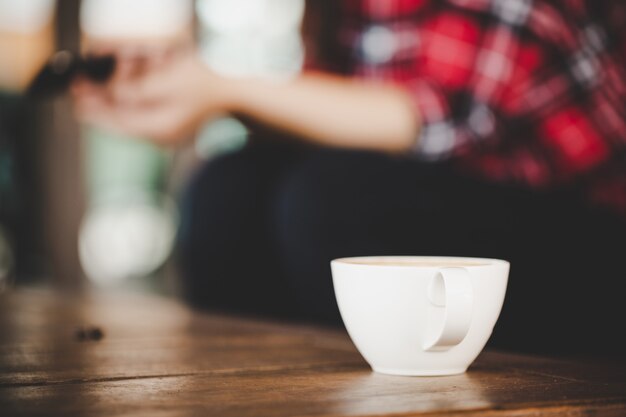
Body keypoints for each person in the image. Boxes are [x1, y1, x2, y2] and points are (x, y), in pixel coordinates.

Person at [73, 0, 626, 355]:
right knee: (228, 187)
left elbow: (421, 116)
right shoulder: (354, 10)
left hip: (589, 247)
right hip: (458, 216)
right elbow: (328, 121)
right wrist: (188, 91)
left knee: (330, 199)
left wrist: (220, 90)